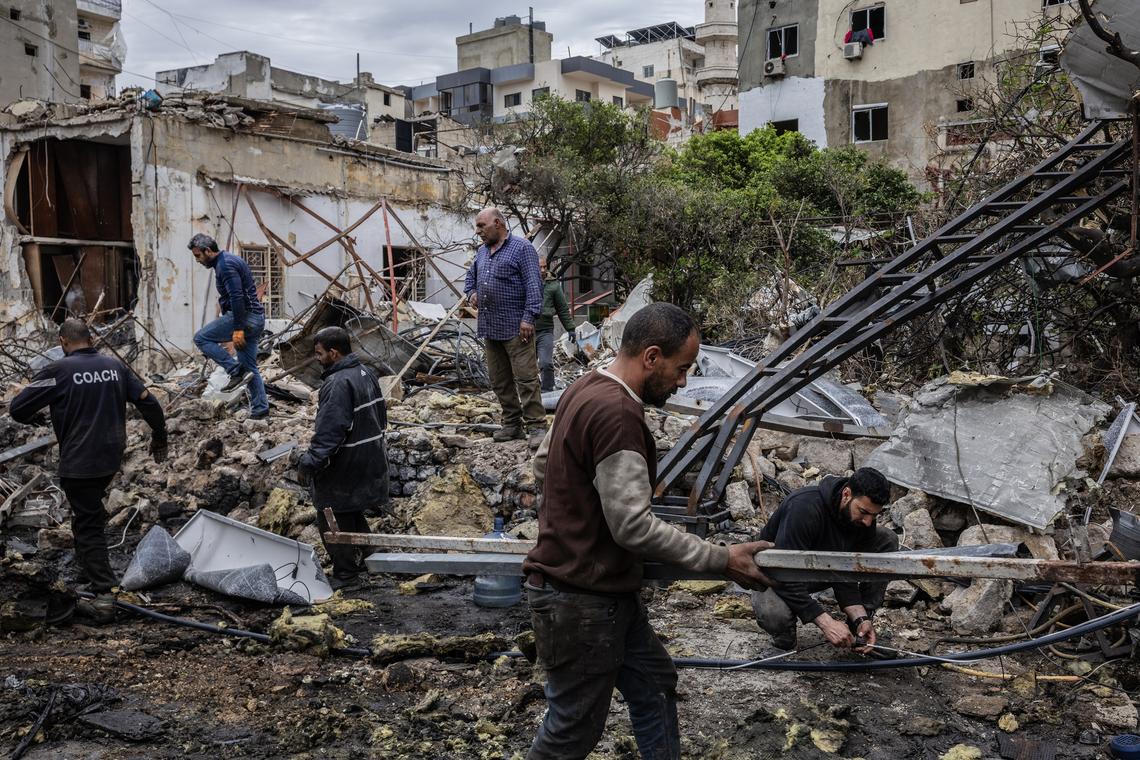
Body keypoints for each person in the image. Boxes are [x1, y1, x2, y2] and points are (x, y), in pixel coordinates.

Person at [523, 302, 775, 760]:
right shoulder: (617, 414)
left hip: (600, 594)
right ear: (652, 356)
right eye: (681, 370)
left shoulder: (584, 387)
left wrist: (580, 511)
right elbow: (632, 526)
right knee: (571, 732)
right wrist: (722, 558)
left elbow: (543, 466)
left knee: (655, 683)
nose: (683, 382)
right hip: (582, 601)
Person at [9, 318, 168, 621]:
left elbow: (18, 408)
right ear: (91, 339)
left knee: (87, 524)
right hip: (110, 457)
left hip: (80, 459)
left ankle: (104, 593)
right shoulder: (115, 367)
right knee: (90, 513)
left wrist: (37, 420)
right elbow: (148, 401)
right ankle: (90, 575)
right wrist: (160, 436)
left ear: (63, 342)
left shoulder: (58, 371)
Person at [750, 467, 897, 653]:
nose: (868, 522)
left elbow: (847, 571)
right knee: (774, 614)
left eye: (874, 515)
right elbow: (783, 575)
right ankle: (784, 638)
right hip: (773, 575)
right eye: (863, 512)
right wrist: (826, 622)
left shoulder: (863, 520)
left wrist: (860, 618)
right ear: (846, 494)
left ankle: (859, 631)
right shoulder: (804, 508)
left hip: (822, 570)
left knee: (886, 539)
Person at [295, 326, 390, 590]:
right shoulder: (365, 373)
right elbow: (381, 418)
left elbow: (329, 432)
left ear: (334, 353)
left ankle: (346, 574)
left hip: (347, 463)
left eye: (319, 353)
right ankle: (372, 557)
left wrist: (310, 463)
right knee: (351, 512)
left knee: (330, 514)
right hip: (369, 457)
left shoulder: (336, 384)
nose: (317, 358)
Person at [463, 207, 546, 448]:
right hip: (490, 327)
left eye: (481, 226)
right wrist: (472, 294)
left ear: (498, 224)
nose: (478, 231)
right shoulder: (481, 253)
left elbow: (534, 286)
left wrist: (529, 318)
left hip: (517, 328)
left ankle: (537, 426)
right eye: (477, 226)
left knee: (526, 378)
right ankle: (512, 425)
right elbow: (469, 279)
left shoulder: (522, 249)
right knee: (499, 380)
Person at [188, 233, 269, 420]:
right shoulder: (226, 261)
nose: (198, 260)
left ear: (208, 251)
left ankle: (235, 370)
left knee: (201, 338)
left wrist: (238, 328)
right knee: (250, 368)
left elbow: (237, 297)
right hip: (255, 319)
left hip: (245, 318)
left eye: (198, 256)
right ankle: (260, 410)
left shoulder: (225, 266)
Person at [534, 255, 576, 392]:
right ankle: (530, 392)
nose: (542, 270)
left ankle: (547, 389)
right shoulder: (526, 282)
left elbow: (562, 308)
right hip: (526, 330)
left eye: (545, 267)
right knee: (525, 367)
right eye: (539, 267)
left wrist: (570, 328)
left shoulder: (553, 285)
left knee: (545, 363)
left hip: (545, 330)